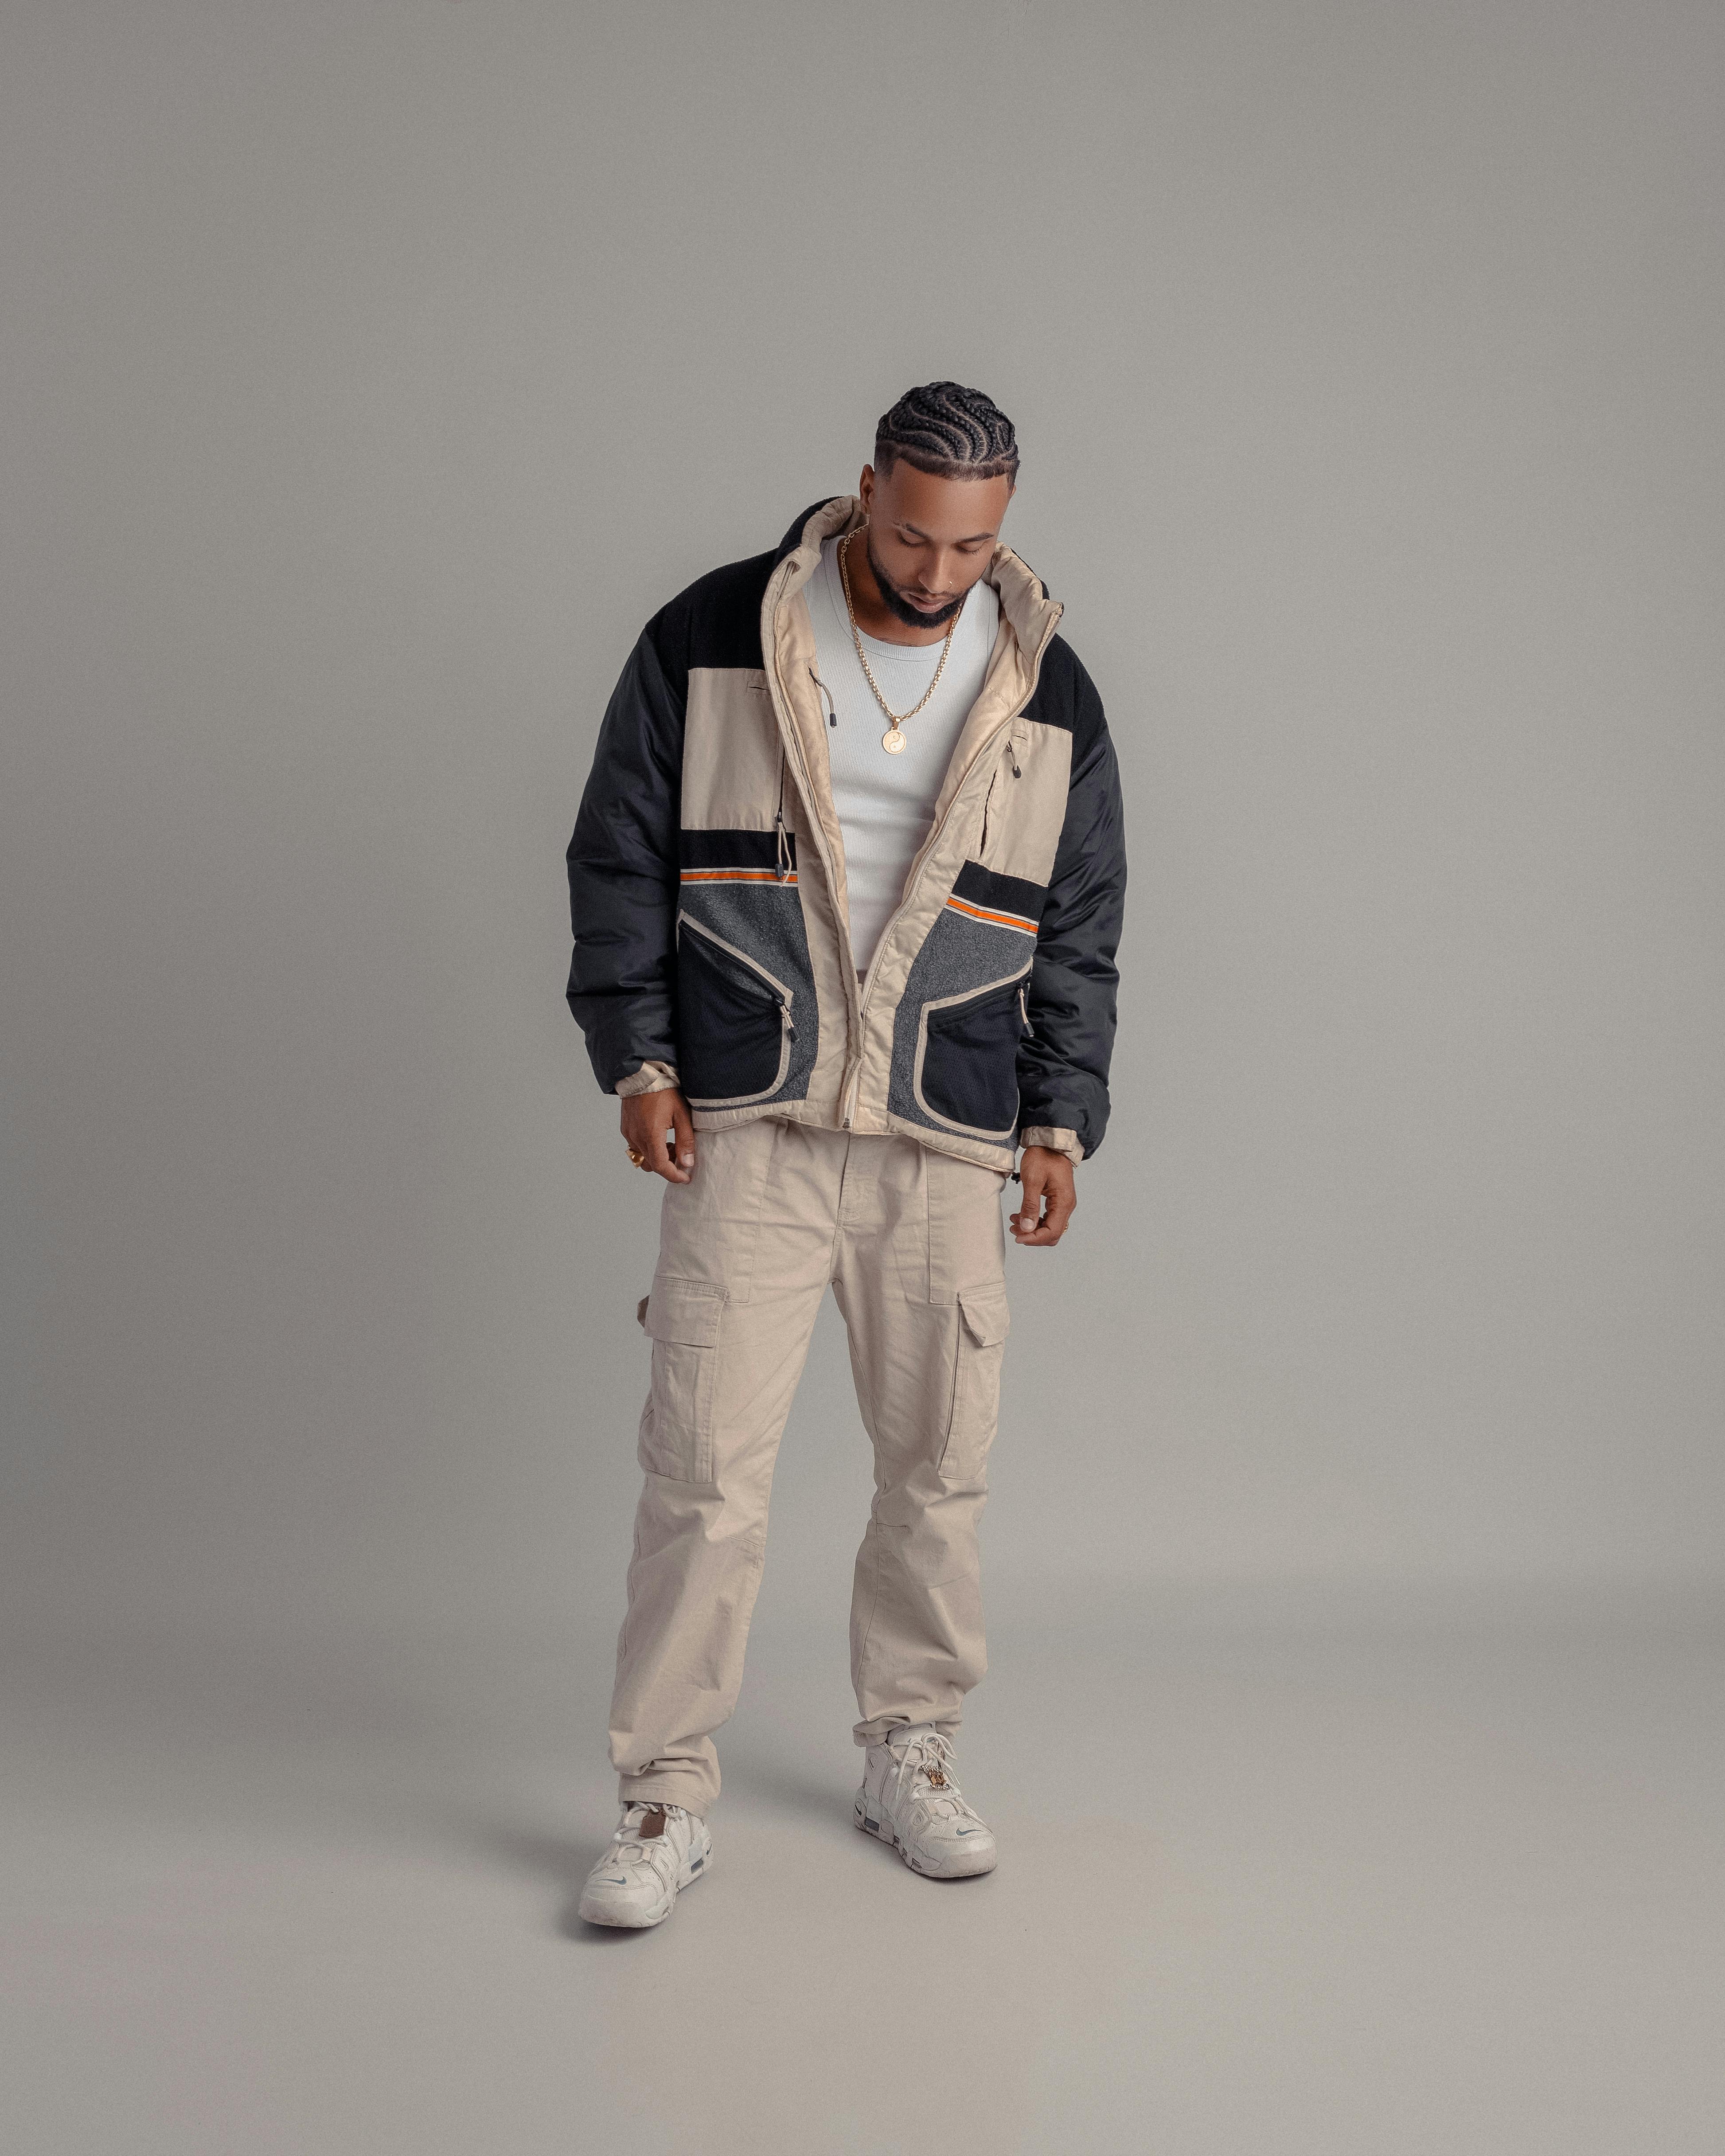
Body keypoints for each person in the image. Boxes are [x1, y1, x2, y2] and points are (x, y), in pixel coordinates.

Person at [564, 382, 1126, 1927]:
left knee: (938, 1473)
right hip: (748, 1115)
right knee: (702, 1478)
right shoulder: (715, 633)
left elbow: (1080, 920)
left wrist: (1057, 1115)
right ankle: (662, 1795)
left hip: (944, 1126)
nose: (939, 573)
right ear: (865, 488)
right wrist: (640, 1057)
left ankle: (910, 1750)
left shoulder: (1045, 681)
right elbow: (617, 851)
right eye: (915, 534)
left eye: (973, 545)